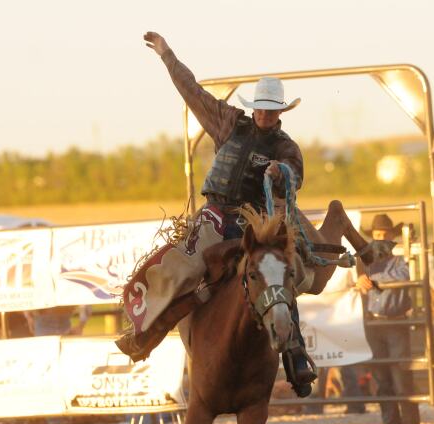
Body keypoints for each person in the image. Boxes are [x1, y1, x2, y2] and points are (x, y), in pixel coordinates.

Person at [126, 31, 316, 395]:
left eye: (269, 108)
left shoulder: (285, 147)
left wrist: (281, 173)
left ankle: (295, 355)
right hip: (214, 215)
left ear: (279, 112)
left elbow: (297, 176)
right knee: (181, 268)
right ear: (254, 106)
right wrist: (168, 55)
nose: (262, 112)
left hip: (253, 224)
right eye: (259, 106)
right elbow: (192, 92)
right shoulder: (229, 122)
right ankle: (146, 333)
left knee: (278, 280)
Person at [355, 214, 420, 424]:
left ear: (392, 237)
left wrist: (367, 280)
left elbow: (405, 274)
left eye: (384, 235)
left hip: (396, 322)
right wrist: (360, 279)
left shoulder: (400, 260)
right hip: (375, 322)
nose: (381, 239)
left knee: (401, 377)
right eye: (377, 235)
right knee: (383, 378)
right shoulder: (365, 263)